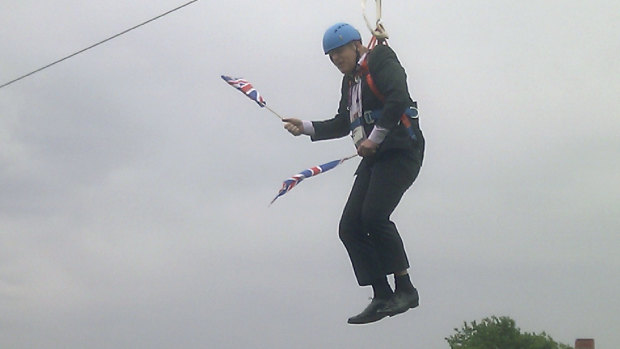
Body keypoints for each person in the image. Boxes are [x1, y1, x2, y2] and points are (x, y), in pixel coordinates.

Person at [283, 22, 425, 324]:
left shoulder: (381, 59)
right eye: (330, 56)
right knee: (350, 226)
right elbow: (342, 122)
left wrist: (374, 139)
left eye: (339, 52)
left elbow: (398, 98)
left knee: (374, 216)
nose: (335, 60)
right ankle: (382, 294)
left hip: (400, 149)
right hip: (375, 156)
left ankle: (406, 289)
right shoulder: (350, 83)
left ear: (356, 45)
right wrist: (305, 127)